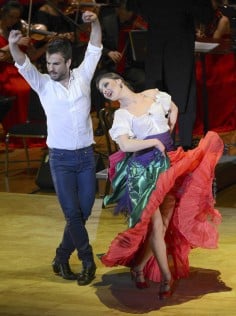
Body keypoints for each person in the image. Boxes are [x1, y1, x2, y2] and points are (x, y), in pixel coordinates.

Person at [96, 72, 224, 299]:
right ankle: (166, 277)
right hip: (143, 171)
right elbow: (125, 144)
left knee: (163, 223)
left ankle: (137, 268)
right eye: (101, 90)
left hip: (168, 161)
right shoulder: (121, 115)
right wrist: (154, 141)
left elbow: (173, 107)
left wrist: (169, 127)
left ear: (119, 80)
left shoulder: (153, 95)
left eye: (106, 84)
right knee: (155, 224)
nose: (105, 90)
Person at [8, 10, 102, 286]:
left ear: (69, 63)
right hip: (60, 160)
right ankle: (87, 261)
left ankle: (61, 257)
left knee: (83, 213)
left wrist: (95, 21)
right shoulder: (43, 85)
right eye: (49, 63)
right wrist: (13, 46)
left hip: (86, 158)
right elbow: (24, 65)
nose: (51, 68)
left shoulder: (83, 77)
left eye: (57, 64)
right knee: (72, 214)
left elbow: (95, 45)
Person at [126, 0, 215, 150]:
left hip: (163, 47)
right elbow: (206, 14)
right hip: (173, 48)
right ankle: (177, 145)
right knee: (177, 96)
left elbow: (134, 7)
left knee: (165, 97)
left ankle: (168, 144)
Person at [0, 0, 48, 134]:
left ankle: (39, 128)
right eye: (11, 16)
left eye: (16, 17)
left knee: (38, 85)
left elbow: (32, 56)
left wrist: (46, 46)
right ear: (2, 14)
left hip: (19, 70)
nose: (13, 20)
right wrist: (13, 44)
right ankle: (18, 130)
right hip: (4, 72)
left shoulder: (17, 31)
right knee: (22, 89)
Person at [194, 0, 236, 135]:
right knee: (196, 78)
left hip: (221, 61)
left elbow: (213, 42)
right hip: (207, 59)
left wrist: (200, 37)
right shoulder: (203, 20)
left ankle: (213, 120)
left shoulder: (222, 20)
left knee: (208, 82)